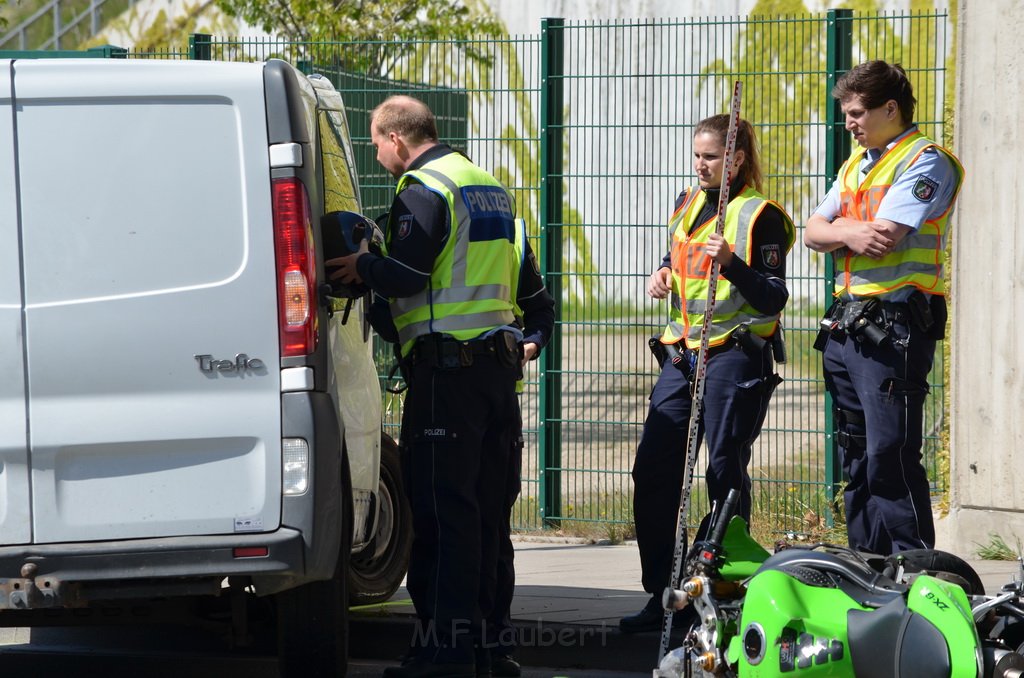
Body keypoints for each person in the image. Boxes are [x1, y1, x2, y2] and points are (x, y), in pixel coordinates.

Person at [328, 95, 550, 678]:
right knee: (486, 517)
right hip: (498, 381)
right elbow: (537, 302)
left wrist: (361, 267)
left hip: (447, 381)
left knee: (442, 514)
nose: (377, 155)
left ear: (398, 139)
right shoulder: (491, 189)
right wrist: (531, 339)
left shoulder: (424, 190)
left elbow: (408, 275)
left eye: (376, 143)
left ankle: (444, 653)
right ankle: (490, 650)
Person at [621, 114, 795, 633]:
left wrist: (735, 263)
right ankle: (664, 592)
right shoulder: (687, 202)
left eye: (711, 156)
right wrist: (662, 272)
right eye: (697, 155)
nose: (701, 164)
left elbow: (773, 295)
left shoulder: (760, 215)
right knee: (653, 472)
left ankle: (723, 591)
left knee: (724, 472)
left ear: (737, 159)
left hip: (735, 355)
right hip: (683, 354)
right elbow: (680, 256)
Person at [804, 61, 964, 556]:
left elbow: (887, 239)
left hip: (892, 329)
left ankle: (915, 567)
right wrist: (849, 231)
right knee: (856, 454)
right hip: (848, 329)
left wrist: (842, 231)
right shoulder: (857, 163)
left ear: (890, 108)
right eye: (847, 114)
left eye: (856, 113)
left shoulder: (926, 160)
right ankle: (867, 564)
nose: (848, 124)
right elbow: (812, 232)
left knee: (889, 454)